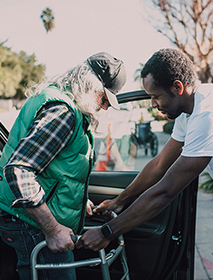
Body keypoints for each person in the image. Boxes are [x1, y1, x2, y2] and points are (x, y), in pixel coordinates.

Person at [76, 48, 213, 280]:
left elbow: (165, 191)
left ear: (178, 87)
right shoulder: (190, 109)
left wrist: (107, 232)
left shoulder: (210, 114)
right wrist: (119, 201)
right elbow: (159, 165)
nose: (153, 104)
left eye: (156, 96)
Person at [0, 52, 126, 280]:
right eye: (104, 98)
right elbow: (19, 170)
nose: (105, 107)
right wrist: (53, 229)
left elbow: (54, 168)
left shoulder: (59, 102)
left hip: (29, 216)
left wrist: (77, 201)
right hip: (32, 223)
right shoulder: (63, 112)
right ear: (90, 85)